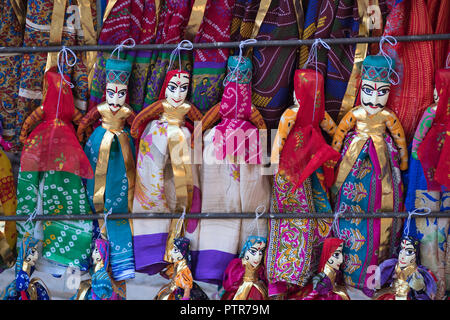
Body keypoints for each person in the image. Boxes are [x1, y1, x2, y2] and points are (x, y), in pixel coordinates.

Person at [331, 55, 408, 292]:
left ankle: (378, 271)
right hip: (354, 161)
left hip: (383, 161)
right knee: (350, 209)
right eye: (368, 91)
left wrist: (403, 163)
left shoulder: (388, 117)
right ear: (361, 88)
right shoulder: (355, 114)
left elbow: (400, 139)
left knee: (384, 211)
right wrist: (333, 158)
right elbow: (340, 134)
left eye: (381, 92)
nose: (374, 99)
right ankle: (349, 270)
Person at [77, 56, 136, 281]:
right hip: (98, 142)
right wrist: (80, 135)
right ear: (106, 91)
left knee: (120, 192)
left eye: (120, 94)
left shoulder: (127, 112)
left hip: (121, 149)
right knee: (93, 188)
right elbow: (86, 120)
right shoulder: (101, 108)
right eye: (112, 93)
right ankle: (92, 252)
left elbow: (137, 123)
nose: (115, 99)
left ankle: (120, 259)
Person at [373, 236, 437, 300]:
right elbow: (380, 278)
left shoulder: (418, 271)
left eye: (409, 252)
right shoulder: (392, 265)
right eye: (401, 250)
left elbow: (423, 292)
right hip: (391, 293)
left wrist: (419, 289)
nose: (402, 256)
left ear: (415, 255)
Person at [221, 236, 268, 300]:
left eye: (260, 252)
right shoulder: (240, 263)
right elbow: (230, 277)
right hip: (242, 287)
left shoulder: (261, 267)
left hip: (257, 288)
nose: (258, 256)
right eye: (253, 252)